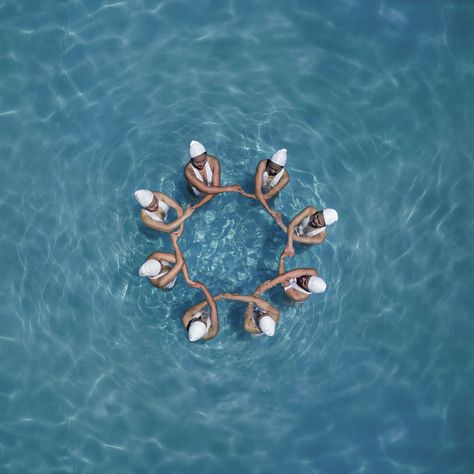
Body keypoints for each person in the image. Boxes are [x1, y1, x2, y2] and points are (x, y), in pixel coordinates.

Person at [184, 140, 249, 209]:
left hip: (212, 192)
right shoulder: (188, 171)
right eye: (197, 162)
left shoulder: (214, 162)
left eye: (204, 160)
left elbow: (216, 188)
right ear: (191, 160)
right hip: (194, 195)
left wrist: (199, 205)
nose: (202, 164)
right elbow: (206, 189)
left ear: (206, 155)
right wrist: (231, 188)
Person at [255, 249, 327, 303]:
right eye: (308, 278)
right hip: (288, 282)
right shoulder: (312, 272)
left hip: (291, 296)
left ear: (308, 289)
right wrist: (282, 259)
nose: (304, 278)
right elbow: (285, 276)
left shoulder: (298, 296)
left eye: (305, 282)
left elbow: (283, 281)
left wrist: (263, 288)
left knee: (285, 300)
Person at [253, 148, 290, 219]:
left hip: (270, 195)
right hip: (258, 190)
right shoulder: (262, 164)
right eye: (270, 167)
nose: (272, 171)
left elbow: (267, 196)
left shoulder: (285, 178)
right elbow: (257, 190)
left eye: (276, 170)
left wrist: (247, 195)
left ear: (282, 168)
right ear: (269, 162)